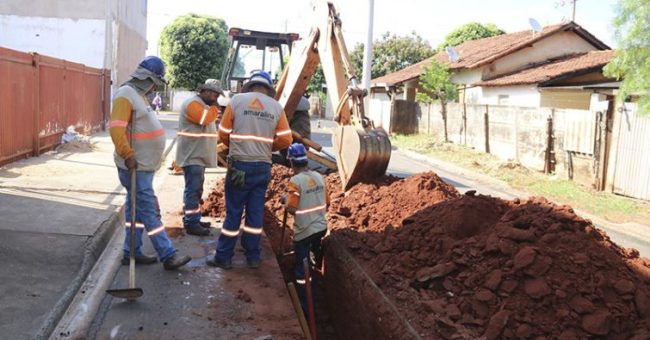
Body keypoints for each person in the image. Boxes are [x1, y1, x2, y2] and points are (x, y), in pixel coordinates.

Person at [108, 56, 191, 270]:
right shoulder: (126, 95)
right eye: (155, 82)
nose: (155, 86)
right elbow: (116, 128)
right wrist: (127, 154)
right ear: (147, 78)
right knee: (149, 211)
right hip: (134, 165)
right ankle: (167, 254)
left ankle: (131, 251)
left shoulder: (140, 96)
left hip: (144, 167)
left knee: (134, 211)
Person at [207, 71, 293, 269]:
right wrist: (266, 147)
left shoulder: (237, 101)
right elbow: (286, 139)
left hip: (239, 166)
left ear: (250, 85)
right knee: (255, 213)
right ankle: (253, 256)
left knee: (234, 212)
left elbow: (223, 133)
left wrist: (235, 145)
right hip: (263, 166)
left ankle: (224, 257)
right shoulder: (276, 106)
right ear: (268, 88)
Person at [284, 143, 329, 312]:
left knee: (302, 271)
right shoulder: (318, 177)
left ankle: (304, 304)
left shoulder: (295, 181)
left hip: (304, 233)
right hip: (321, 228)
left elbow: (291, 208)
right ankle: (316, 258)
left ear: (291, 162)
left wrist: (285, 201)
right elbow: (328, 202)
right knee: (313, 249)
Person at [176, 79, 222, 236]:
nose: (215, 97)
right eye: (213, 94)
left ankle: (194, 218)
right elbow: (205, 119)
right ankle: (191, 223)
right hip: (192, 155)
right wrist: (216, 108)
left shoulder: (203, 106)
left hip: (197, 155)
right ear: (205, 91)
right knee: (192, 190)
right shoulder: (193, 104)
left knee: (196, 190)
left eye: (217, 94)